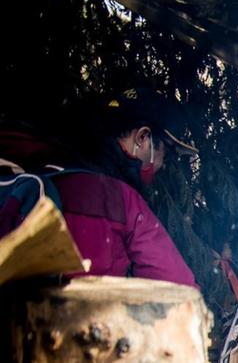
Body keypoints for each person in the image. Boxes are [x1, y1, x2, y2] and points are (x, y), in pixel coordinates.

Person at [0, 90, 197, 287]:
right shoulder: (121, 201)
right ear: (143, 137)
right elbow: (179, 290)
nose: (164, 165)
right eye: (168, 153)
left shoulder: (36, 154)